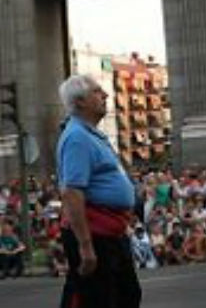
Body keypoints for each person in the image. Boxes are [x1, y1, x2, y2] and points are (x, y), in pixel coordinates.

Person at [57, 73, 141, 308]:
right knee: (98, 299)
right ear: (80, 101)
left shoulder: (91, 134)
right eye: (97, 91)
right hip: (96, 235)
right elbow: (72, 193)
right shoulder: (77, 138)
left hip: (111, 232)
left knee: (126, 295)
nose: (105, 95)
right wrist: (85, 246)